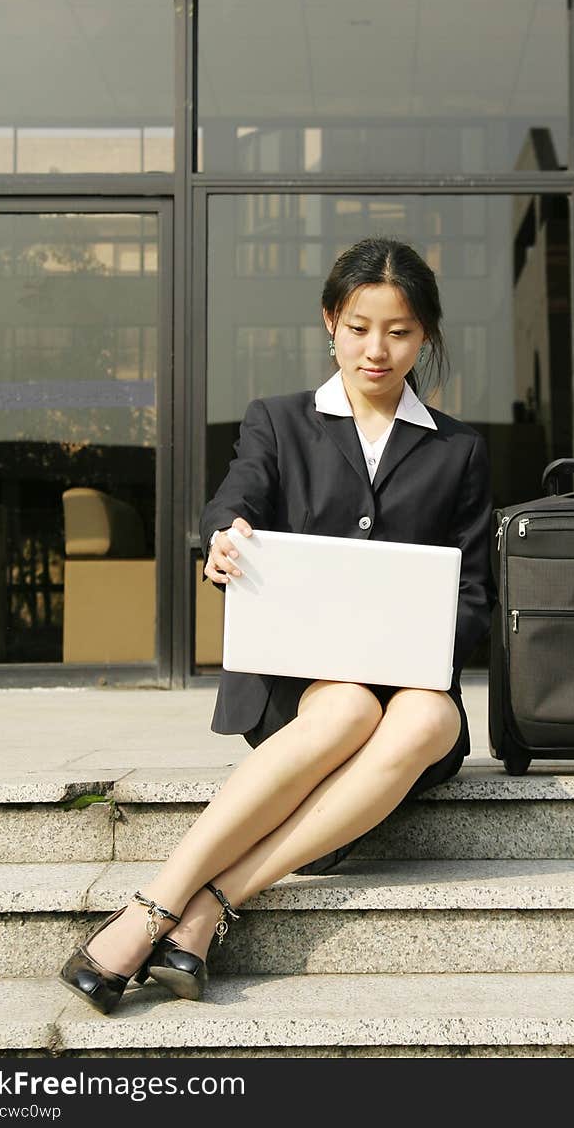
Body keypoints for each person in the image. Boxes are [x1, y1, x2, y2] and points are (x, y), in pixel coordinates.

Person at [59, 235, 496, 1014]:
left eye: (398, 332)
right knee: (347, 704)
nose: (377, 349)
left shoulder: (458, 450)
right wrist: (224, 537)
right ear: (331, 322)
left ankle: (205, 902)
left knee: (430, 713)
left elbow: (475, 594)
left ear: (423, 336)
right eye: (360, 327)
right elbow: (234, 501)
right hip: (300, 694)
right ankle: (162, 906)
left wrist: (420, 638)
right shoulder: (278, 421)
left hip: (406, 703)